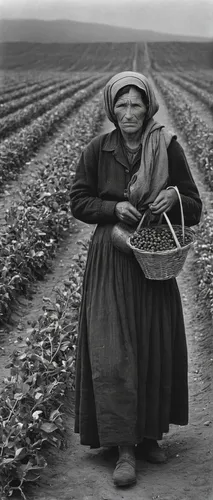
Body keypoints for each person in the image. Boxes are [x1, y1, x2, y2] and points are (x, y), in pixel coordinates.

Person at [70, 71, 202, 488]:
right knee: (114, 351)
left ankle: (147, 436)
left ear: (149, 107)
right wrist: (112, 209)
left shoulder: (167, 146)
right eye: (121, 105)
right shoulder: (97, 149)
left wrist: (175, 196)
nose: (129, 113)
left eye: (136, 104)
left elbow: (194, 205)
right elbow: (79, 201)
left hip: (153, 258)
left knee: (151, 344)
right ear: (111, 108)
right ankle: (123, 447)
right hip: (112, 259)